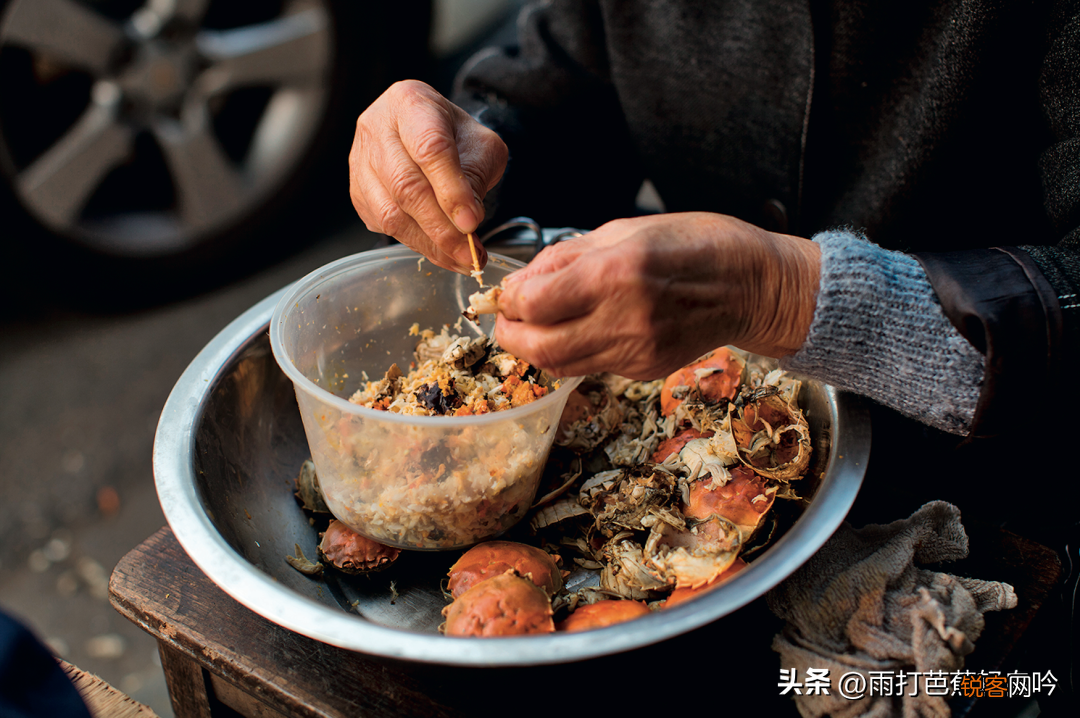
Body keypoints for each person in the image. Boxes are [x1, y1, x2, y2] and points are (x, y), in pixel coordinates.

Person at [348, 0, 1077, 458]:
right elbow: (556, 97)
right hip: (688, 433)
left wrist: (784, 295)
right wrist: (454, 163)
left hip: (1001, 477)